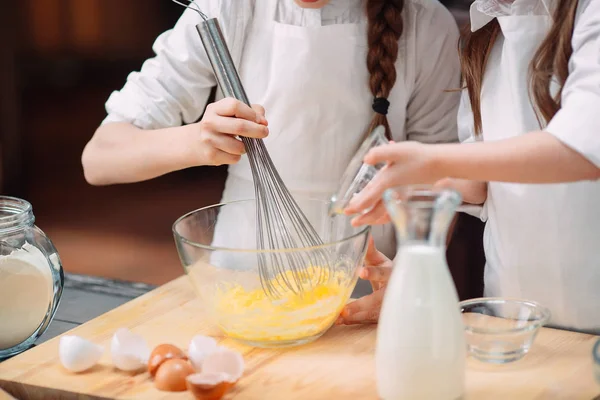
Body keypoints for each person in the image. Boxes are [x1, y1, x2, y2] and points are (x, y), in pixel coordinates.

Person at [82, 0, 461, 266]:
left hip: (368, 282)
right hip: (242, 276)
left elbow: (443, 183)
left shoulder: (426, 23)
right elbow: (100, 159)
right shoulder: (229, 8)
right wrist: (197, 140)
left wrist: (404, 281)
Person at [337, 0, 600, 334]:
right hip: (511, 317)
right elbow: (480, 178)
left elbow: (582, 148)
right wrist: (411, 184)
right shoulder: (486, 35)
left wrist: (431, 162)